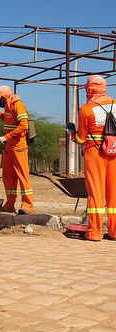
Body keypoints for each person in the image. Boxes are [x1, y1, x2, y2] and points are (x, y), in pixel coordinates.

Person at [69, 75, 116, 241]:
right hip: (114, 152)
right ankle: (114, 232)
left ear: (89, 89)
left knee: (96, 192)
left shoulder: (85, 109)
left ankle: (95, 233)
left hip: (95, 153)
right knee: (114, 193)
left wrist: (72, 133)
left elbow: (81, 138)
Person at [0, 85, 33, 214]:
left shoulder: (17, 105)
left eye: (0, 99)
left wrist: (5, 137)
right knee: (8, 177)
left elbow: (24, 125)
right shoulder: (8, 106)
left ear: (5, 96)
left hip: (19, 147)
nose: (0, 101)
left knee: (22, 176)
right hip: (9, 147)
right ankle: (10, 204)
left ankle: (27, 206)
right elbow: (8, 120)